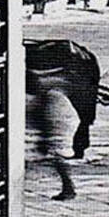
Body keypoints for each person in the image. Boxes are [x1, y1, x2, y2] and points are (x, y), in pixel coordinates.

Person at [27, 68, 76, 201]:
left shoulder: (46, 98)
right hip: (63, 125)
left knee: (57, 156)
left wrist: (47, 138)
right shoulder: (50, 95)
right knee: (56, 156)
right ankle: (68, 187)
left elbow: (48, 119)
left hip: (60, 127)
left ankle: (68, 188)